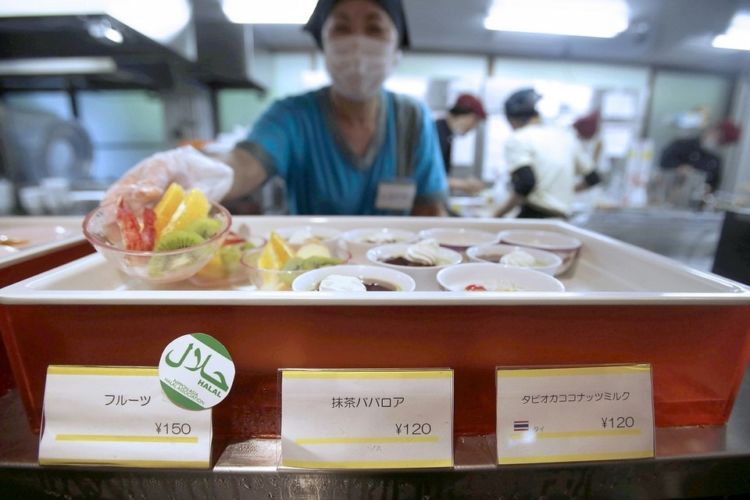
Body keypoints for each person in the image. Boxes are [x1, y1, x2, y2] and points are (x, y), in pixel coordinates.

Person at [103, 0, 447, 217]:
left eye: (374, 29)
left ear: (397, 50)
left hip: (394, 276)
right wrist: (196, 172)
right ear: (323, 47)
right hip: (314, 275)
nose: (357, 44)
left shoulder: (412, 119)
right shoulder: (292, 116)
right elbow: (245, 164)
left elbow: (430, 211)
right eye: (341, 29)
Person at [494, 88, 600, 219]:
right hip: (562, 219)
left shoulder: (518, 138)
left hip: (534, 216)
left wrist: (497, 214)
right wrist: (562, 191)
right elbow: (593, 178)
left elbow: (525, 184)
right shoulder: (565, 137)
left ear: (512, 120)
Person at [659, 119, 741, 193]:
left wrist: (708, 190)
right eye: (719, 139)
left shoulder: (716, 160)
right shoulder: (683, 144)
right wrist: (679, 168)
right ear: (714, 130)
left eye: (722, 143)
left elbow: (714, 185)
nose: (718, 143)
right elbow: (664, 161)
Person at [435, 94, 487, 195]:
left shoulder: (446, 134)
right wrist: (462, 184)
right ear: (464, 114)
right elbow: (429, 178)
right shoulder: (438, 134)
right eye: (475, 120)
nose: (473, 127)